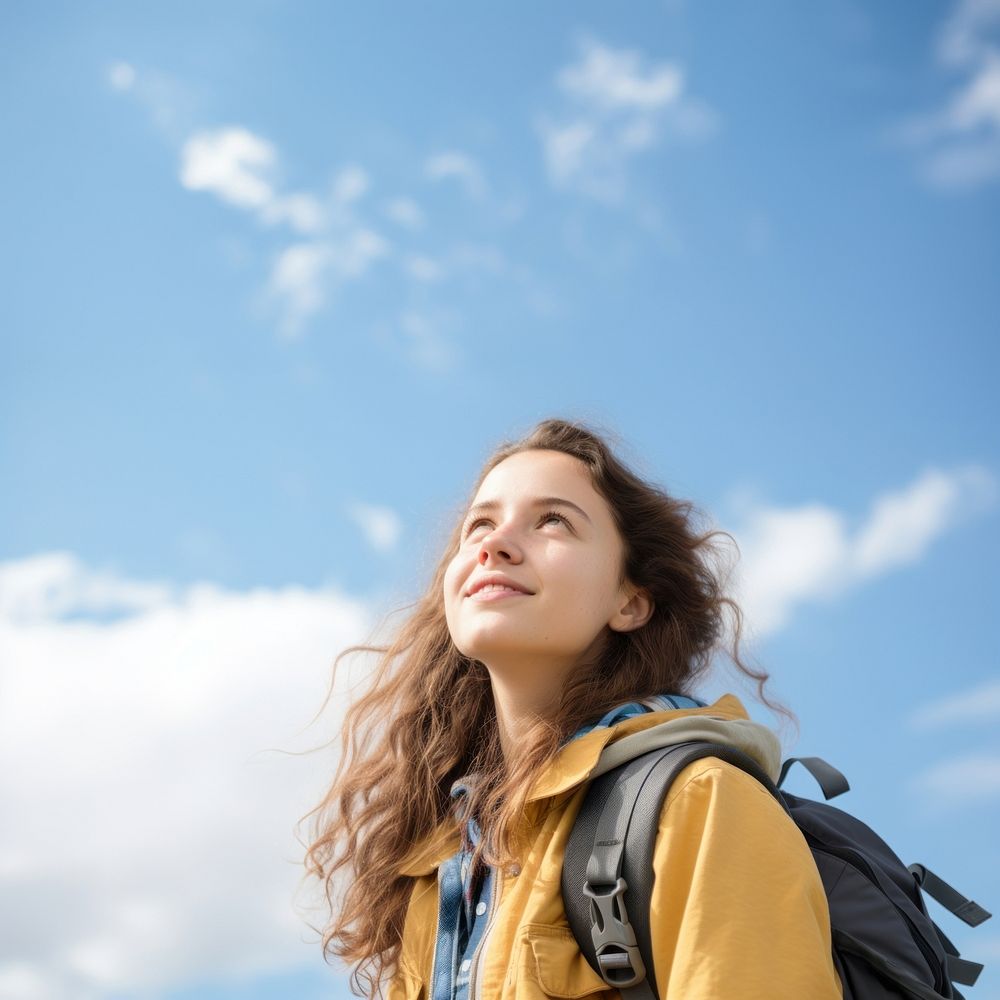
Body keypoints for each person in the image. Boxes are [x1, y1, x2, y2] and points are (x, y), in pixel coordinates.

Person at [301, 417, 843, 999]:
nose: (494, 543)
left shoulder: (700, 802)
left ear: (630, 602)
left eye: (553, 521)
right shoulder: (442, 868)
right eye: (479, 524)